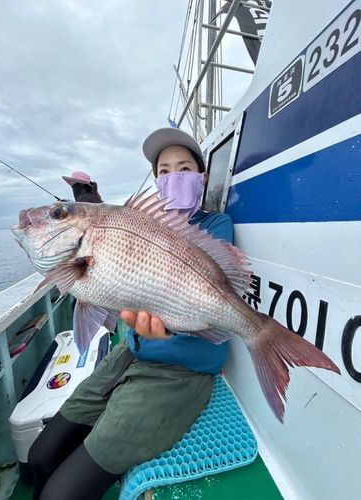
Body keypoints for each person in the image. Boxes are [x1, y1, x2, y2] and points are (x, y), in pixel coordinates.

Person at [28, 127, 235, 500]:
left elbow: (205, 304)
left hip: (180, 374)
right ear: (156, 181)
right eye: (164, 171)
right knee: (38, 457)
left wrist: (170, 328)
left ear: (201, 177)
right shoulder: (134, 223)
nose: (175, 177)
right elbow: (104, 290)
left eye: (184, 168)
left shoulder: (215, 226)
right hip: (133, 351)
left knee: (60, 495)